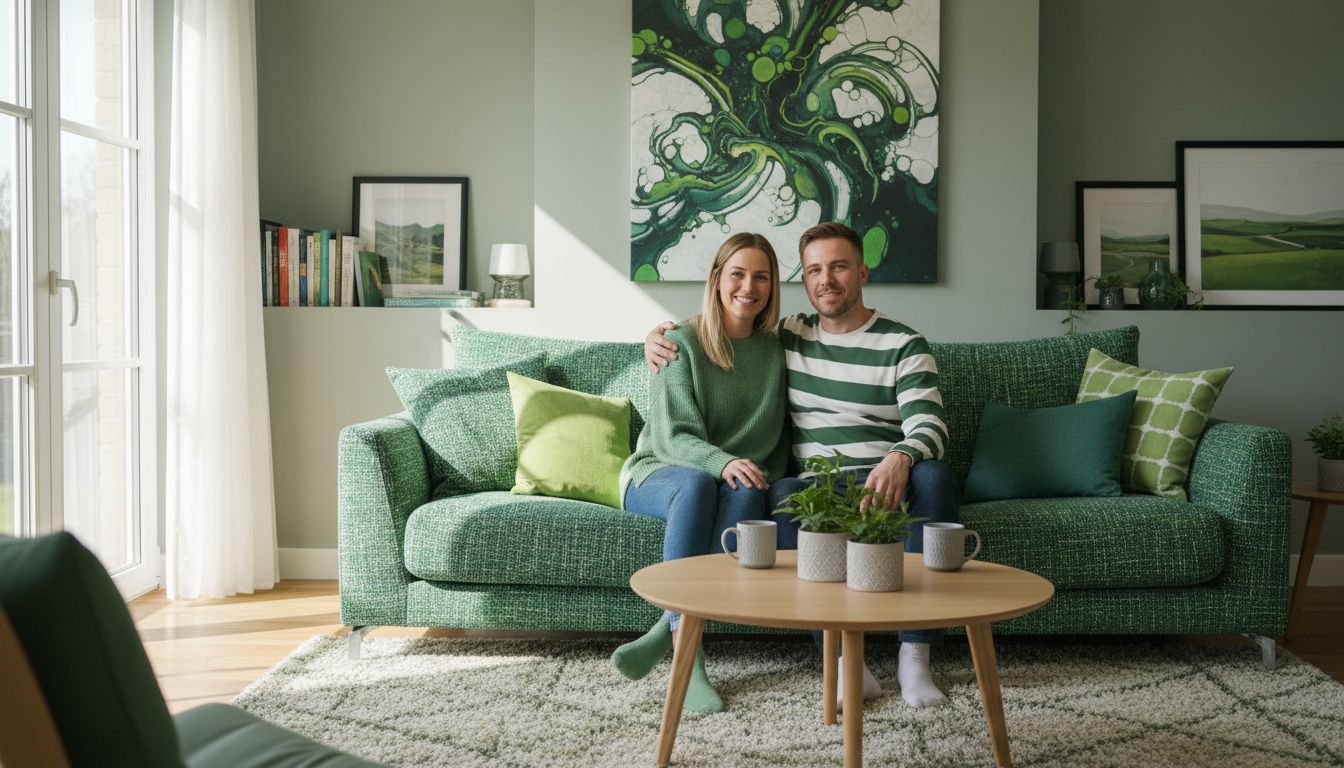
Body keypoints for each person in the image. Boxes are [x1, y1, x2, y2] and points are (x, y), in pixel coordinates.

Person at [645, 221, 958, 709]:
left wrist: (901, 456)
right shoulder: (787, 336)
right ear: (804, 279)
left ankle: (914, 658)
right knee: (784, 495)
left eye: (838, 267)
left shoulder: (904, 343)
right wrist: (660, 335)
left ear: (862, 272)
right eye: (814, 269)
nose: (825, 280)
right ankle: (841, 662)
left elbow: (931, 426)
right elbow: (726, 323)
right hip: (820, 485)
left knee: (935, 476)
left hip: (886, 481)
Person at [611, 232, 791, 713]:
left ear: (773, 287)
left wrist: (744, 469)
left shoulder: (779, 349)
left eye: (761, 276)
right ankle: (688, 662)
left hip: (730, 477)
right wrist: (723, 462)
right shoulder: (677, 343)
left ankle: (665, 630)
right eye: (737, 273)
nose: (748, 286)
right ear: (716, 280)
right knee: (695, 484)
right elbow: (672, 438)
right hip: (662, 472)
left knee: (752, 491)